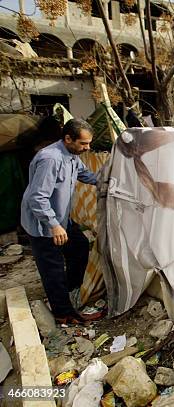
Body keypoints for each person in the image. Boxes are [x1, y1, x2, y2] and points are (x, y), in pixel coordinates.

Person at [21, 119, 102, 325]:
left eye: (89, 143)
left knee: (80, 247)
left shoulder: (72, 156)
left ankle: (67, 293)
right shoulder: (50, 159)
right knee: (53, 267)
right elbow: (37, 197)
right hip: (44, 223)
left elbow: (85, 174)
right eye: (83, 144)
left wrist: (109, 181)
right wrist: (54, 225)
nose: (87, 148)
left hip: (61, 217)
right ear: (68, 138)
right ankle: (63, 313)